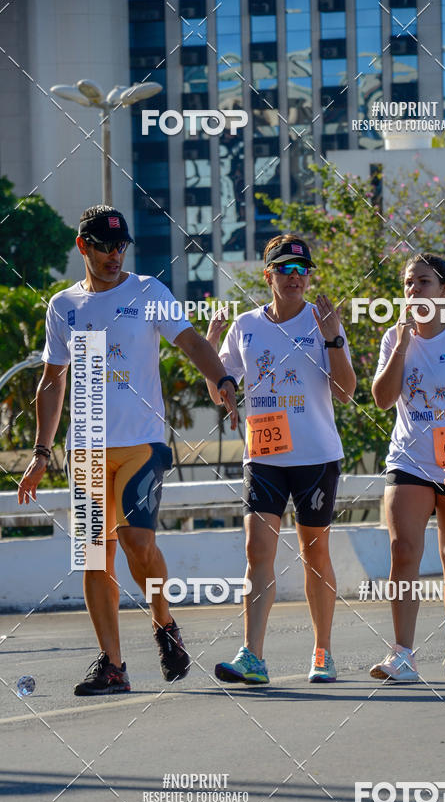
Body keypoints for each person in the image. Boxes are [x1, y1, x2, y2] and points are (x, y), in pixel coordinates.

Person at [17, 205, 238, 695]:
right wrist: (41, 452)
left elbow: (191, 342)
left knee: (138, 543)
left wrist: (220, 376)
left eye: (121, 246)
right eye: (104, 246)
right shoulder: (63, 306)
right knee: (96, 556)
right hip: (88, 450)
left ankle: (164, 623)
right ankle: (113, 665)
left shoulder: (148, 292)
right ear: (83, 247)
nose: (115, 255)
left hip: (141, 443)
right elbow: (52, 384)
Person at [206, 234, 356, 684]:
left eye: (302, 270)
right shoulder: (246, 326)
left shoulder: (324, 320)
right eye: (285, 270)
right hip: (265, 454)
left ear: (309, 276)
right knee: (257, 551)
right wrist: (213, 355)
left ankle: (323, 652)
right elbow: (221, 390)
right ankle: (253, 656)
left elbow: (346, 393)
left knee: (314, 553)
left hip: (315, 455)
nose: (295, 278)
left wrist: (332, 340)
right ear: (268, 275)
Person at [370, 253, 445, 682]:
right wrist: (402, 347)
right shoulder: (394, 337)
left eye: (423, 282)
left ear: (444, 290)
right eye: (407, 283)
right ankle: (402, 654)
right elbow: (382, 398)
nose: (413, 290)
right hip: (409, 461)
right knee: (403, 552)